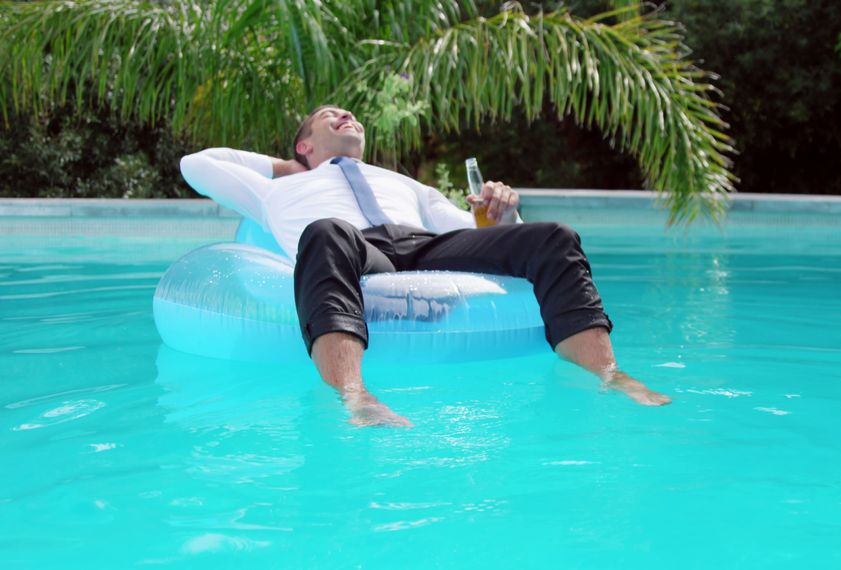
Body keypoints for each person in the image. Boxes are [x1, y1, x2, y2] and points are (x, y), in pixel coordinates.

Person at [180, 105, 671, 427]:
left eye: (348, 113)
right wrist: (291, 167)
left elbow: (475, 233)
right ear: (303, 144)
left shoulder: (404, 183)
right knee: (324, 231)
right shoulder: (272, 188)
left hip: (422, 247)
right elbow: (195, 164)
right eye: (328, 116)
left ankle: (608, 373)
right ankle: (355, 396)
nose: (345, 113)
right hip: (354, 250)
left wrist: (507, 215)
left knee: (555, 237)